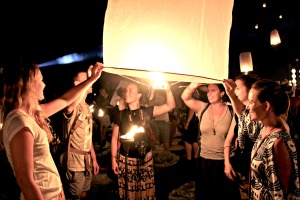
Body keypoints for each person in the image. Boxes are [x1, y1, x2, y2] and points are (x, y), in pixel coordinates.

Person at [1, 61, 103, 200]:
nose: (44, 84)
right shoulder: (20, 123)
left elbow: (65, 100)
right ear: (28, 84)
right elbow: (25, 181)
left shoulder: (30, 114)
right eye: (41, 80)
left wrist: (92, 79)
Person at [111, 82, 175, 199]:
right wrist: (113, 159)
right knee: (129, 194)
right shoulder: (120, 115)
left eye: (131, 90)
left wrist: (168, 90)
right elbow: (114, 138)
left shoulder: (147, 111)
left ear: (139, 95)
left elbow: (170, 106)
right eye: (126, 90)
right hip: (126, 159)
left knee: (145, 192)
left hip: (145, 158)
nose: (127, 93)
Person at [181, 82, 241, 200]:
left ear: (222, 93)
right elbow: (185, 97)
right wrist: (193, 85)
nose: (209, 93)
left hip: (225, 161)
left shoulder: (231, 110)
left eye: (213, 90)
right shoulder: (202, 107)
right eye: (208, 91)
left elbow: (242, 107)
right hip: (205, 162)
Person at [247, 79, 300, 199]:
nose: (247, 107)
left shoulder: (279, 141)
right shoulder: (264, 129)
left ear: (266, 106)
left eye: (251, 102)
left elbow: (283, 191)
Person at [62, 68, 100, 199]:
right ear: (77, 84)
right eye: (86, 79)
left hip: (87, 160)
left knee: (84, 192)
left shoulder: (86, 107)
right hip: (75, 163)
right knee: (75, 196)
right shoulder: (73, 106)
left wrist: (94, 159)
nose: (90, 81)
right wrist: (85, 84)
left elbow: (87, 137)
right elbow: (68, 108)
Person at [222, 74, 260, 197]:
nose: (235, 90)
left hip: (257, 172)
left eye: (238, 88)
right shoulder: (245, 113)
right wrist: (231, 94)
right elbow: (240, 114)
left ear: (250, 90)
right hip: (243, 169)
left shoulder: (260, 113)